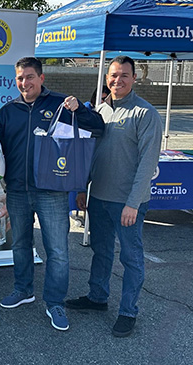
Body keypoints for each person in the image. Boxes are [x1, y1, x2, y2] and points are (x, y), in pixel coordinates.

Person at [0, 57, 104, 331]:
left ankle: (55, 302)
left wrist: (80, 111)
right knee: (20, 245)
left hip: (51, 191)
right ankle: (23, 290)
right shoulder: (7, 111)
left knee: (58, 250)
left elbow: (98, 128)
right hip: (16, 190)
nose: (24, 83)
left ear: (41, 78)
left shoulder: (62, 104)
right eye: (19, 78)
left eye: (29, 77)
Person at [67, 56, 162, 338]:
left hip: (127, 203)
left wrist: (133, 203)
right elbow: (91, 154)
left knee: (131, 258)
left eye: (123, 75)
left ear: (134, 78)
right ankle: (97, 297)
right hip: (99, 197)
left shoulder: (145, 114)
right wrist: (83, 188)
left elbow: (147, 164)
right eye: (113, 75)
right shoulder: (102, 110)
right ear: (106, 78)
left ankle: (128, 311)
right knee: (101, 251)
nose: (117, 81)